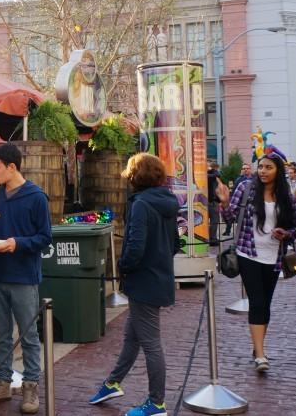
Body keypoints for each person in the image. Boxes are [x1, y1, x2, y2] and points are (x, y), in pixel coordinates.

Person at [89, 154, 179, 416]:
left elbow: (135, 246)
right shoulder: (168, 202)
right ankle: (112, 382)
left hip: (143, 281)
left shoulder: (140, 204)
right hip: (159, 277)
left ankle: (156, 403)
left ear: (135, 175)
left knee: (150, 342)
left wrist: (124, 266)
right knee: (132, 337)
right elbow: (174, 243)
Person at [0, 143, 52, 414]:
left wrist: (17, 243)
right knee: (2, 336)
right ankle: (3, 382)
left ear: (12, 167)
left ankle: (31, 385)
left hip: (23, 276)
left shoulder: (36, 197)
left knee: (29, 335)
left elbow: (44, 238)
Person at [222, 154, 296, 373]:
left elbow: (295, 227)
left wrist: (286, 233)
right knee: (256, 302)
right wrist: (225, 202)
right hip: (248, 253)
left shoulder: (287, 196)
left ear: (278, 171)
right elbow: (229, 218)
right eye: (261, 167)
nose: (263, 171)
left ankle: (257, 348)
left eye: (268, 167)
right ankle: (260, 354)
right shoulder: (246, 188)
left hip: (275, 256)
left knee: (266, 303)